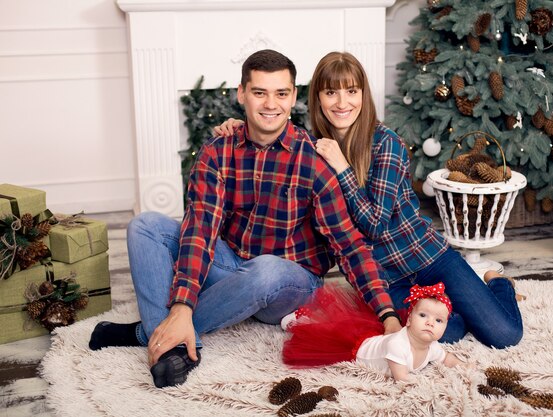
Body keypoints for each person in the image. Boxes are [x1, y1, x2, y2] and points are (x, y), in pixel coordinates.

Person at [88, 49, 395, 388]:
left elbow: (349, 245)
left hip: (289, 282)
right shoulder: (218, 150)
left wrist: (388, 314)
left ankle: (150, 332)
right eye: (260, 92)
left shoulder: (315, 159)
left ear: (293, 96)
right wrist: (181, 304)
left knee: (265, 269)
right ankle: (173, 338)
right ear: (242, 94)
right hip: (233, 264)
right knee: (145, 226)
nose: (270, 104)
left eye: (281, 93)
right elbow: (200, 229)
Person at [214, 51, 523, 349]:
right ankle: (449, 302)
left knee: (504, 334)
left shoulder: (386, 143)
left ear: (363, 94)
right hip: (382, 279)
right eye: (331, 92)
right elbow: (274, 133)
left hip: (429, 259)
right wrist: (240, 127)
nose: (342, 102)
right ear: (317, 99)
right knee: (447, 330)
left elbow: (375, 224)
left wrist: (343, 168)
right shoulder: (312, 146)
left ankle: (497, 284)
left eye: (351, 91)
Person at [282, 282, 464, 382]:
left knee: (343, 323)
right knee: (325, 334)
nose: (430, 323)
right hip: (358, 348)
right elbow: (402, 378)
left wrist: (463, 366)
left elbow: (446, 357)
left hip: (375, 338)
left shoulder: (432, 346)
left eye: (438, 320)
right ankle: (302, 320)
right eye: (423, 315)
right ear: (408, 320)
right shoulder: (398, 344)